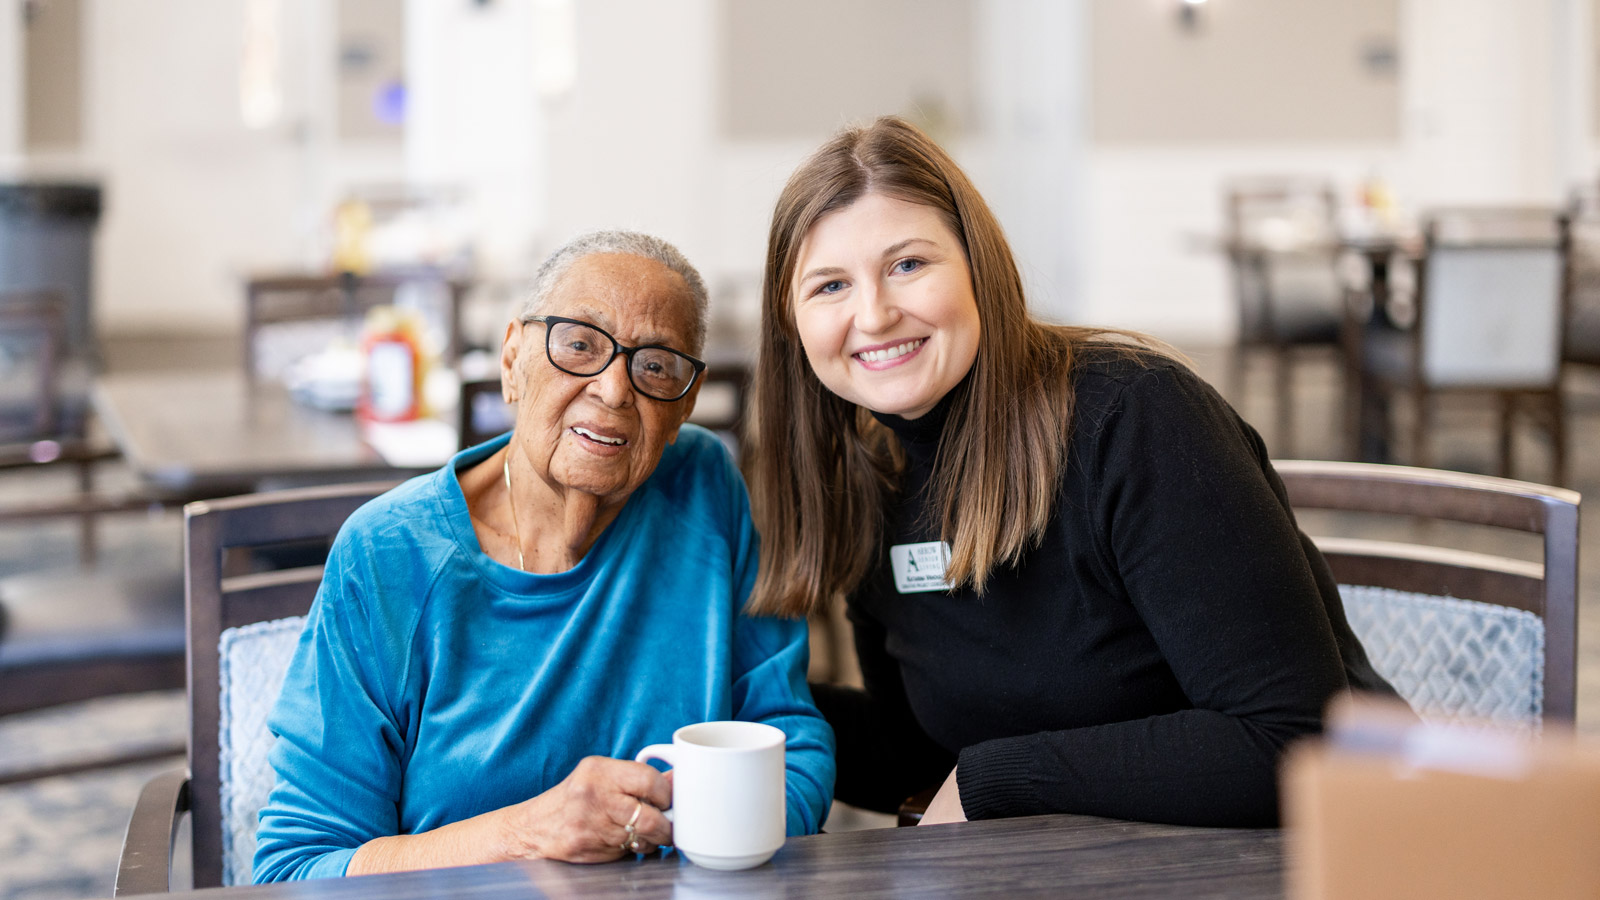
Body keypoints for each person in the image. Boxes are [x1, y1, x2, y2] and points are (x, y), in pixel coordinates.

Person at [745, 117, 1396, 829]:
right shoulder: (876, 473)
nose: (873, 313)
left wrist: (995, 779)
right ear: (791, 322)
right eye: (830, 285)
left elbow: (1292, 743)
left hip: (1307, 852)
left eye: (908, 265)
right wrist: (710, 709)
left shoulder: (1134, 418)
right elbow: (920, 752)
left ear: (977, 267)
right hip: (1080, 866)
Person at [254, 231, 834, 881]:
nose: (615, 390)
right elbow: (297, 869)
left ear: (684, 407)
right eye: (579, 344)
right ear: (512, 359)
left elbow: (791, 739)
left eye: (655, 365)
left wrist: (712, 842)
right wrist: (531, 834)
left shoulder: (704, 486)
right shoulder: (388, 555)